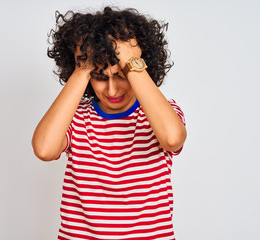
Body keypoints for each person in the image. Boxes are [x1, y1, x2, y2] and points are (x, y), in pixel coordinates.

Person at [32, 6, 187, 240]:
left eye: (122, 76)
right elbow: (44, 149)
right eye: (100, 77)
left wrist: (131, 61)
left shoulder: (163, 113)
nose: (112, 90)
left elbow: (172, 139)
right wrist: (83, 68)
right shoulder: (75, 118)